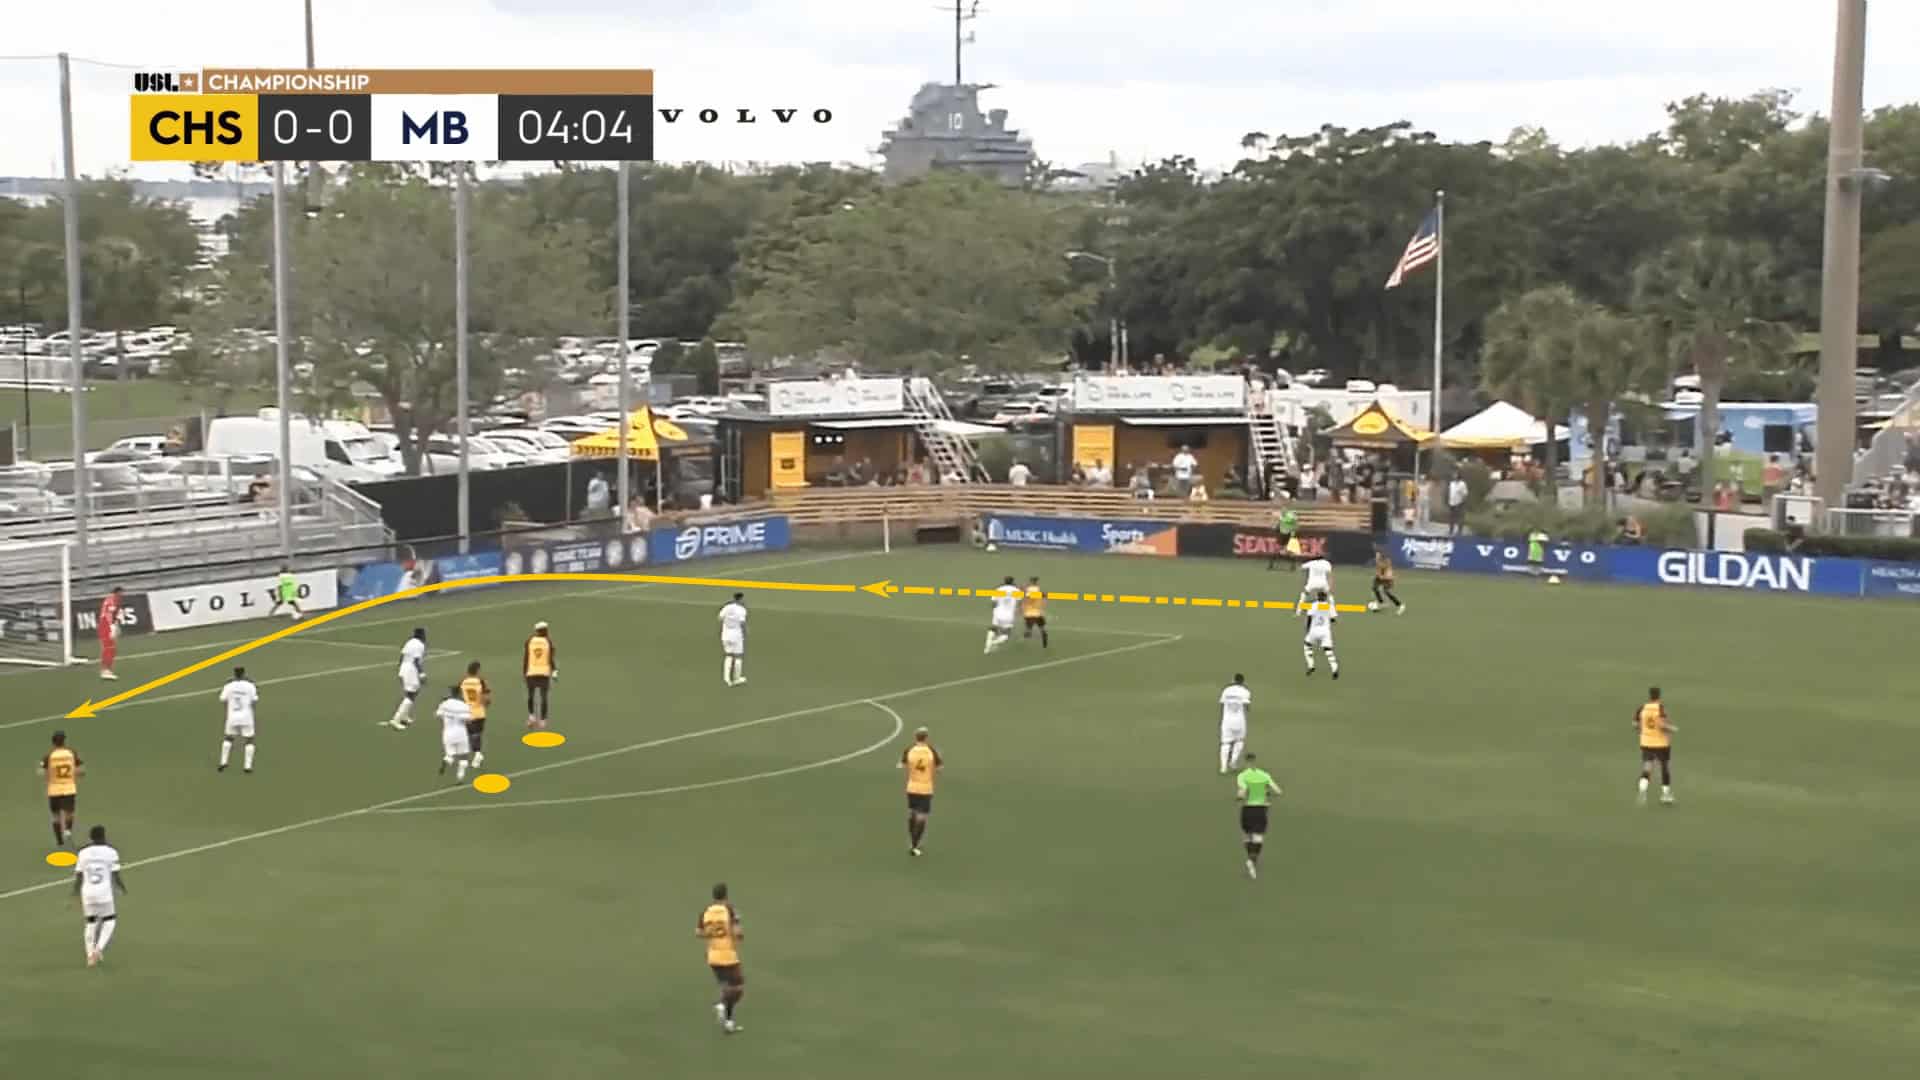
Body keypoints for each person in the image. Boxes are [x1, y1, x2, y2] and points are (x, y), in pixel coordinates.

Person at [73, 824, 127, 968]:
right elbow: (115, 875)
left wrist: (75, 892)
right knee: (109, 920)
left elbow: (78, 876)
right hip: (104, 893)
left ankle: (90, 954)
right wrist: (121, 888)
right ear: (104, 836)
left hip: (87, 893)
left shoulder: (83, 853)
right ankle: (98, 949)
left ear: (90, 837)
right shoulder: (111, 852)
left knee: (91, 923)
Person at [698, 884, 746, 1034]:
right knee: (738, 987)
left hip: (713, 956)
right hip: (728, 956)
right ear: (726, 895)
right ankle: (721, 1004)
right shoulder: (729, 909)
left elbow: (698, 932)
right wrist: (737, 932)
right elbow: (738, 933)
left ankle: (729, 1023)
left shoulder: (706, 911)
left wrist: (712, 934)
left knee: (727, 988)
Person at [1233, 753, 1279, 880]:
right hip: (1260, 809)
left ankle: (1250, 859)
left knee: (1247, 835)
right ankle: (1252, 860)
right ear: (1255, 761)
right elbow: (1277, 791)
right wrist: (1266, 793)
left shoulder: (1242, 776)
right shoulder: (1264, 775)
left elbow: (1241, 793)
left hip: (1247, 809)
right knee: (1258, 837)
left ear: (1246, 762)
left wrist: (1239, 797)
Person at [900, 726, 942, 856]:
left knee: (912, 813)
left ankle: (912, 840)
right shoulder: (931, 751)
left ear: (915, 737)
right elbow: (939, 768)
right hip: (925, 788)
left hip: (912, 787)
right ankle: (914, 845)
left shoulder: (909, 750)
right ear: (926, 737)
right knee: (921, 817)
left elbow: (902, 764)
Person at [1636, 687, 1677, 806]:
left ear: (1650, 695)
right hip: (1661, 743)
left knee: (1647, 767)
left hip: (1646, 742)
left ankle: (1642, 792)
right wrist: (1672, 729)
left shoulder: (1642, 708)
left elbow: (1635, 724)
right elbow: (1662, 725)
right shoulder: (1660, 708)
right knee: (1664, 767)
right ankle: (1665, 795)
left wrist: (1643, 731)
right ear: (1659, 696)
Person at [216, 666, 259, 774]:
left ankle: (223, 762)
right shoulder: (250, 685)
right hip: (246, 717)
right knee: (249, 740)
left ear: (234, 674)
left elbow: (222, 698)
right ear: (244, 674)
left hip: (232, 716)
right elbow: (255, 699)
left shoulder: (229, 686)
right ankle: (247, 766)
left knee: (228, 738)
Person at [42, 731, 82, 848]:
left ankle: (59, 841)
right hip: (69, 788)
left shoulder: (49, 755)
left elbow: (43, 772)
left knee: (56, 816)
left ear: (53, 742)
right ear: (64, 741)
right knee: (69, 813)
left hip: (54, 789)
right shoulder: (71, 753)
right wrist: (75, 775)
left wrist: (49, 778)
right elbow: (80, 770)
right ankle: (68, 830)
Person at [390, 627, 428, 730]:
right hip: (411, 669)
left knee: (412, 693)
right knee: (411, 694)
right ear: (421, 635)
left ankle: (404, 716)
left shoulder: (409, 642)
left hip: (404, 668)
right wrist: (421, 674)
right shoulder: (420, 645)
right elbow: (416, 661)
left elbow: (402, 655)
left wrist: (400, 668)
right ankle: (396, 720)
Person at [437, 684, 474, 782]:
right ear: (460, 694)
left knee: (450, 754)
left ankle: (447, 760)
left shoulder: (444, 704)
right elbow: (469, 720)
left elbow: (438, 714)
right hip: (461, 733)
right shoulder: (464, 705)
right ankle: (460, 778)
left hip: (448, 733)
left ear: (451, 693)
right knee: (464, 756)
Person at [523, 621, 557, 728]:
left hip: (531, 672)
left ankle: (532, 717)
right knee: (544, 697)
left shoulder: (529, 641)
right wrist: (554, 671)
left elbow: (526, 657)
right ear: (545, 631)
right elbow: (550, 658)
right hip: (544, 673)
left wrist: (524, 672)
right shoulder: (548, 641)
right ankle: (542, 720)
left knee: (531, 695)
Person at [458, 661, 491, 769]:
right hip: (479, 713)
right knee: (477, 735)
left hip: (467, 713)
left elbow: (459, 697)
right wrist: (485, 703)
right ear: (477, 670)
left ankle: (477, 754)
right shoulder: (481, 682)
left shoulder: (463, 682)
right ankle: (477, 754)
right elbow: (487, 699)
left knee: (471, 735)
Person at [1217, 673, 1252, 774]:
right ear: (1243, 681)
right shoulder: (1245, 691)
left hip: (1227, 721)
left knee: (1225, 743)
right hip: (1239, 721)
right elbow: (1247, 706)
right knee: (1239, 741)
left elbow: (1222, 704)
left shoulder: (1226, 690)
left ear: (1233, 680)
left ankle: (1223, 767)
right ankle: (1233, 762)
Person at [1301, 593, 1340, 680]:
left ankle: (1311, 665)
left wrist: (1307, 630)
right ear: (1325, 598)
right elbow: (1333, 619)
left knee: (1307, 645)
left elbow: (1309, 618)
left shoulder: (1313, 605)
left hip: (1314, 630)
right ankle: (1334, 668)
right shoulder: (1329, 606)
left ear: (1317, 597)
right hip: (1325, 631)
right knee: (1328, 651)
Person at [984, 576, 1020, 655]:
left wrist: (994, 610)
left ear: (1004, 581)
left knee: (993, 629)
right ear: (1012, 582)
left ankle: (987, 647)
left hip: (998, 613)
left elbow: (993, 603)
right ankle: (993, 643)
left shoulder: (999, 589)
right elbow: (1019, 602)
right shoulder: (1016, 590)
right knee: (1006, 634)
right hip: (1009, 615)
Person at [718, 593, 748, 686]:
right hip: (736, 636)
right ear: (740, 599)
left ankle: (727, 679)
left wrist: (728, 622)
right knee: (738, 657)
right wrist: (745, 632)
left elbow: (719, 618)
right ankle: (736, 678)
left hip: (725, 635)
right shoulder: (741, 610)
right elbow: (742, 623)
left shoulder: (727, 607)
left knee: (728, 655)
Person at [96, 586, 124, 681]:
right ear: (117, 592)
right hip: (105, 625)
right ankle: (105, 670)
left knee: (111, 648)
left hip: (107, 624)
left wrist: (116, 625)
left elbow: (114, 615)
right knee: (109, 647)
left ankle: (107, 669)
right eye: (121, 593)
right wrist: (111, 626)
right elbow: (108, 614)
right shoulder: (112, 600)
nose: (122, 595)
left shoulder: (114, 600)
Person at [1371, 546, 1405, 614]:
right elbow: (1379, 570)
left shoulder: (1387, 562)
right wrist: (1378, 575)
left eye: (1378, 555)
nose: (1377, 556)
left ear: (1381, 555)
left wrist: (1385, 577)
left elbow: (1388, 574)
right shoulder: (1378, 561)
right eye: (1376, 555)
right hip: (1380, 577)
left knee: (1386, 592)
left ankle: (1400, 605)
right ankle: (1380, 603)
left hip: (1387, 578)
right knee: (1374, 588)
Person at [1267, 505, 1299, 572]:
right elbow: (1280, 522)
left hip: (1289, 535)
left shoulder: (1290, 516)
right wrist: (1276, 527)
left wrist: (1279, 517)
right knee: (1277, 549)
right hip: (1282, 534)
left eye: (1284, 510)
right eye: (1282, 510)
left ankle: (1293, 566)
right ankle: (1271, 565)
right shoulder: (1282, 516)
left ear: (1287, 510)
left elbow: (1290, 521)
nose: (1282, 511)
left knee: (1289, 551)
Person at [1021, 577, 1048, 648]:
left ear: (1030, 582)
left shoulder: (1026, 592)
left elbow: (1024, 597)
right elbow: (1044, 599)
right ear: (1036, 582)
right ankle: (1043, 638)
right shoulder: (1039, 591)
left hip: (1028, 614)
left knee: (1028, 629)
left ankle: (1026, 636)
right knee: (1042, 628)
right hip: (1038, 613)